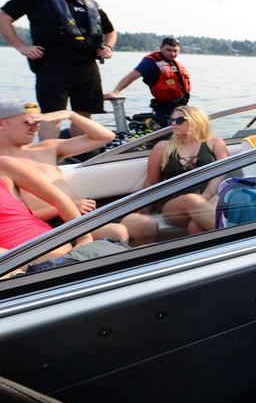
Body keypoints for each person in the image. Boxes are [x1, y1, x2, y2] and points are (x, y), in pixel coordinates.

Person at [0, 98, 153, 246]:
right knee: (115, 232)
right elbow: (11, 220)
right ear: (1, 124)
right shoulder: (3, 167)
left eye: (37, 123)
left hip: (77, 216)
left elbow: (105, 137)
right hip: (48, 223)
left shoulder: (46, 148)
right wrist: (64, 208)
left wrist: (71, 115)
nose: (36, 128)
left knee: (145, 224)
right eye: (28, 123)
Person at [0, 0, 117, 140]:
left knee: (83, 115)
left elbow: (110, 31)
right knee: (51, 116)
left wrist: (108, 47)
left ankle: (79, 154)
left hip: (87, 66)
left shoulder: (90, 4)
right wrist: (22, 47)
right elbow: (3, 17)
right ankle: (48, 154)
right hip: (52, 66)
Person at [0, 154, 129, 276]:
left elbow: (60, 199)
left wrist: (84, 238)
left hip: (52, 241)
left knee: (118, 232)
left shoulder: (5, 165)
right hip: (19, 260)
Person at [141, 105, 228, 235]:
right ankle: (239, 238)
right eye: (172, 120)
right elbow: (151, 183)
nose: (174, 123)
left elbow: (220, 173)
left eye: (180, 120)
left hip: (210, 195)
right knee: (191, 199)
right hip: (174, 205)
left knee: (196, 226)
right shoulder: (162, 147)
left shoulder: (215, 143)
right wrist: (144, 213)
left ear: (195, 121)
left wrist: (206, 195)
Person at [104, 37, 190, 127]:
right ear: (161, 48)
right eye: (168, 50)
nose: (172, 54)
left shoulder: (175, 62)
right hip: (164, 110)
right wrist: (115, 92)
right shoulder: (150, 62)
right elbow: (131, 77)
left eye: (175, 51)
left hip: (182, 107)